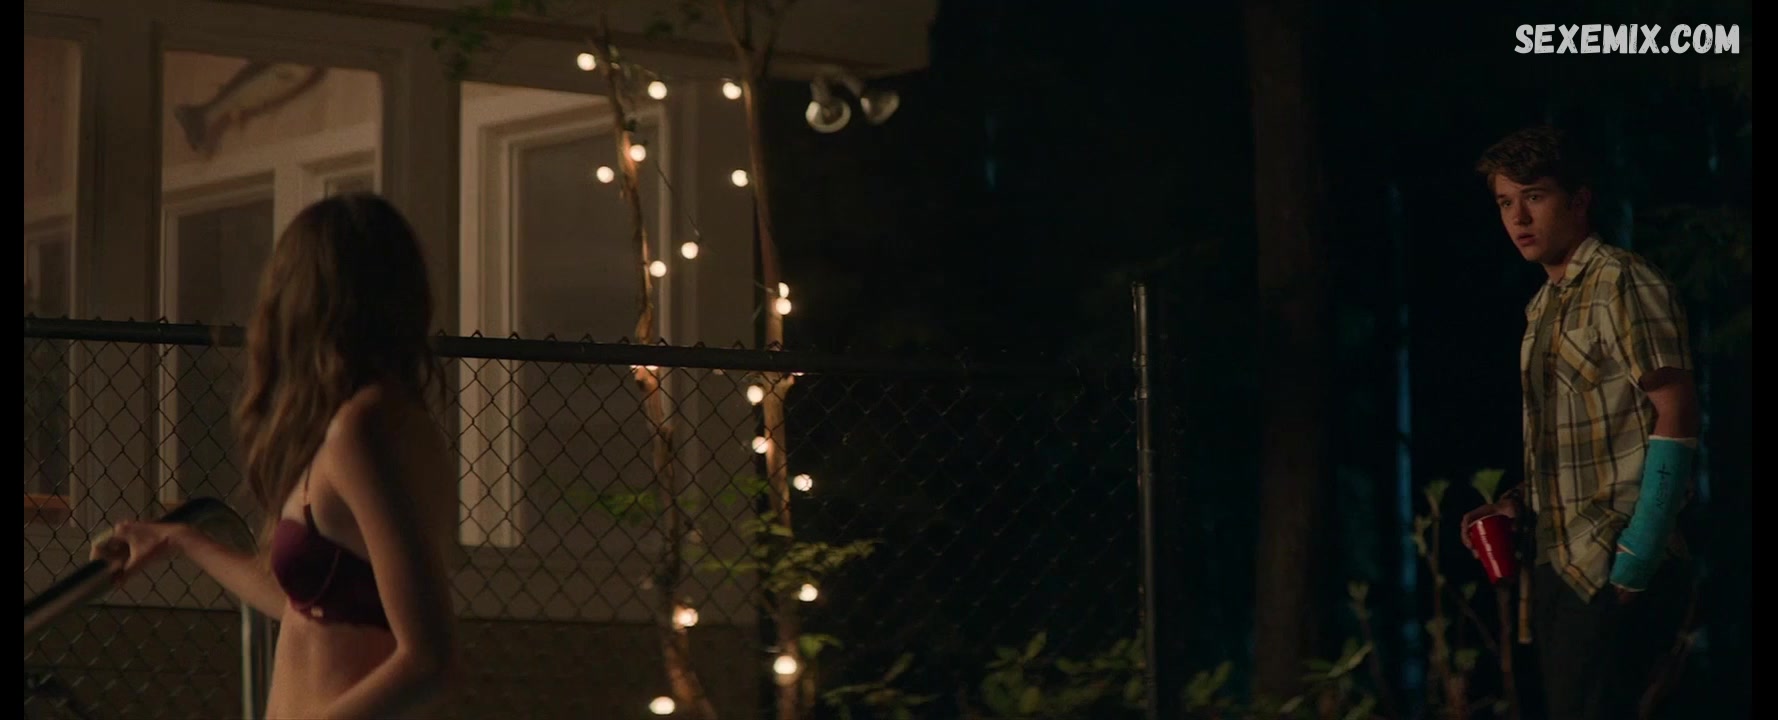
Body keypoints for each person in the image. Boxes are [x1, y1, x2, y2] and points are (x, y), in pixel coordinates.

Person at [91, 192, 462, 719]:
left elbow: (429, 659)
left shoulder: (362, 431)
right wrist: (179, 538)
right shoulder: (385, 420)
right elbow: (308, 605)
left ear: (306, 300)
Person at [1460, 125, 1701, 719]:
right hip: (1560, 567)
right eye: (1505, 202)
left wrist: (1639, 556)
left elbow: (1676, 409)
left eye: (1534, 196)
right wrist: (1518, 503)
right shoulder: (1544, 305)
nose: (1518, 217)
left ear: (1579, 200)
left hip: (1613, 561)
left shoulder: (1623, 281)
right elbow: (1585, 439)